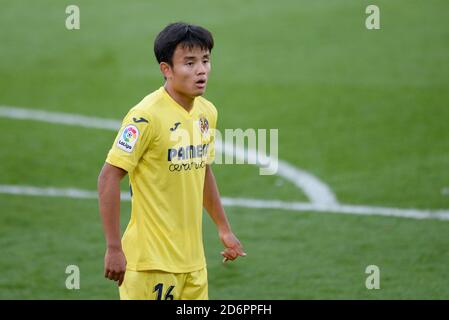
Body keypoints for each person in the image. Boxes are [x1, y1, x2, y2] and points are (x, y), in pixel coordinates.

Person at [97, 22, 246, 300]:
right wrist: (114, 247)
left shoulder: (207, 112)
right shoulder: (145, 117)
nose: (201, 70)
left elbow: (203, 171)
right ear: (166, 69)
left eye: (205, 60)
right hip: (150, 264)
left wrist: (224, 229)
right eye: (189, 63)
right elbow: (108, 176)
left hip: (193, 264)